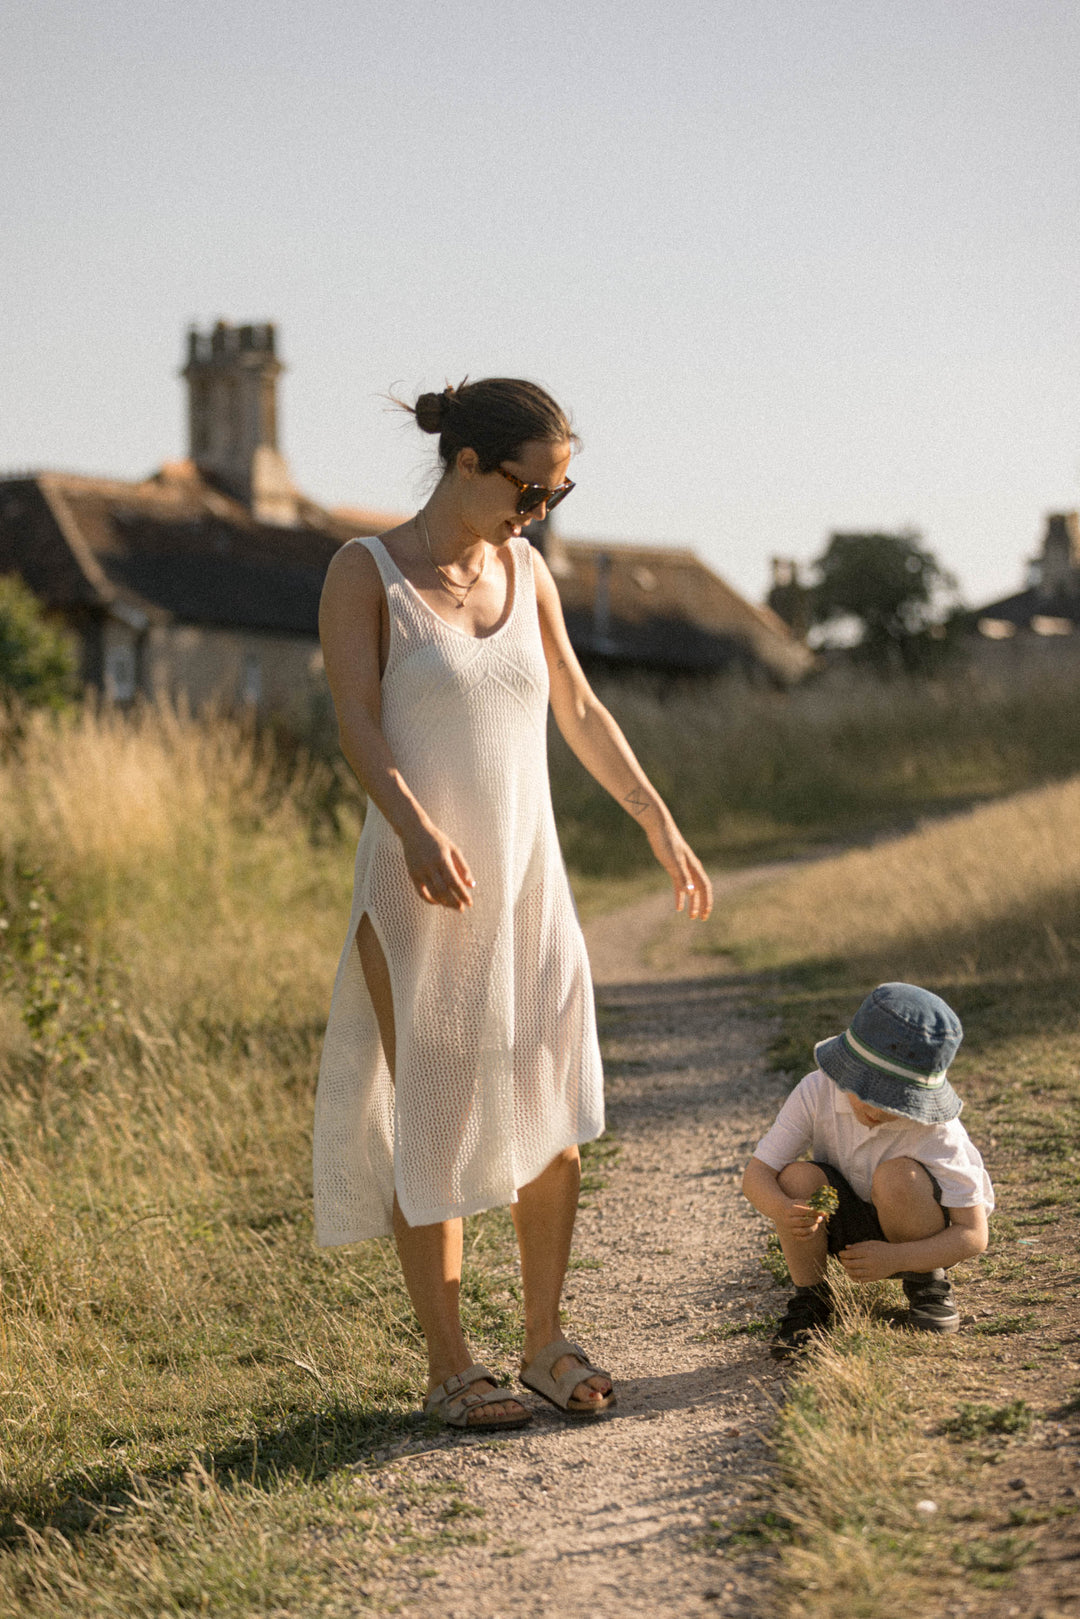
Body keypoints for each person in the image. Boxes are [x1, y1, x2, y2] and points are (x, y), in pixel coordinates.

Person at [313, 378, 712, 1430]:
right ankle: (449, 1363)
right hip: (418, 885)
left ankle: (543, 1340)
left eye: (559, 492)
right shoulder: (366, 573)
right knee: (431, 1118)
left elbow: (577, 704)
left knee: (552, 1106)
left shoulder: (526, 570)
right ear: (468, 463)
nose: (542, 511)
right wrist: (410, 824)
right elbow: (358, 719)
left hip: (530, 882)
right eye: (532, 490)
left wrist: (656, 819)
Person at [741, 981, 993, 1359]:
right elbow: (756, 1175)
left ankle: (927, 1286)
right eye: (867, 1092)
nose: (875, 1110)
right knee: (794, 1179)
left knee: (897, 1177)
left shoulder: (937, 1130)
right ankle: (812, 1299)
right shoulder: (816, 1090)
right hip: (848, 1224)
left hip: (920, 1235)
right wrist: (783, 1210)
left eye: (893, 1101)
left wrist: (900, 1259)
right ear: (846, 1073)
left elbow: (973, 1235)